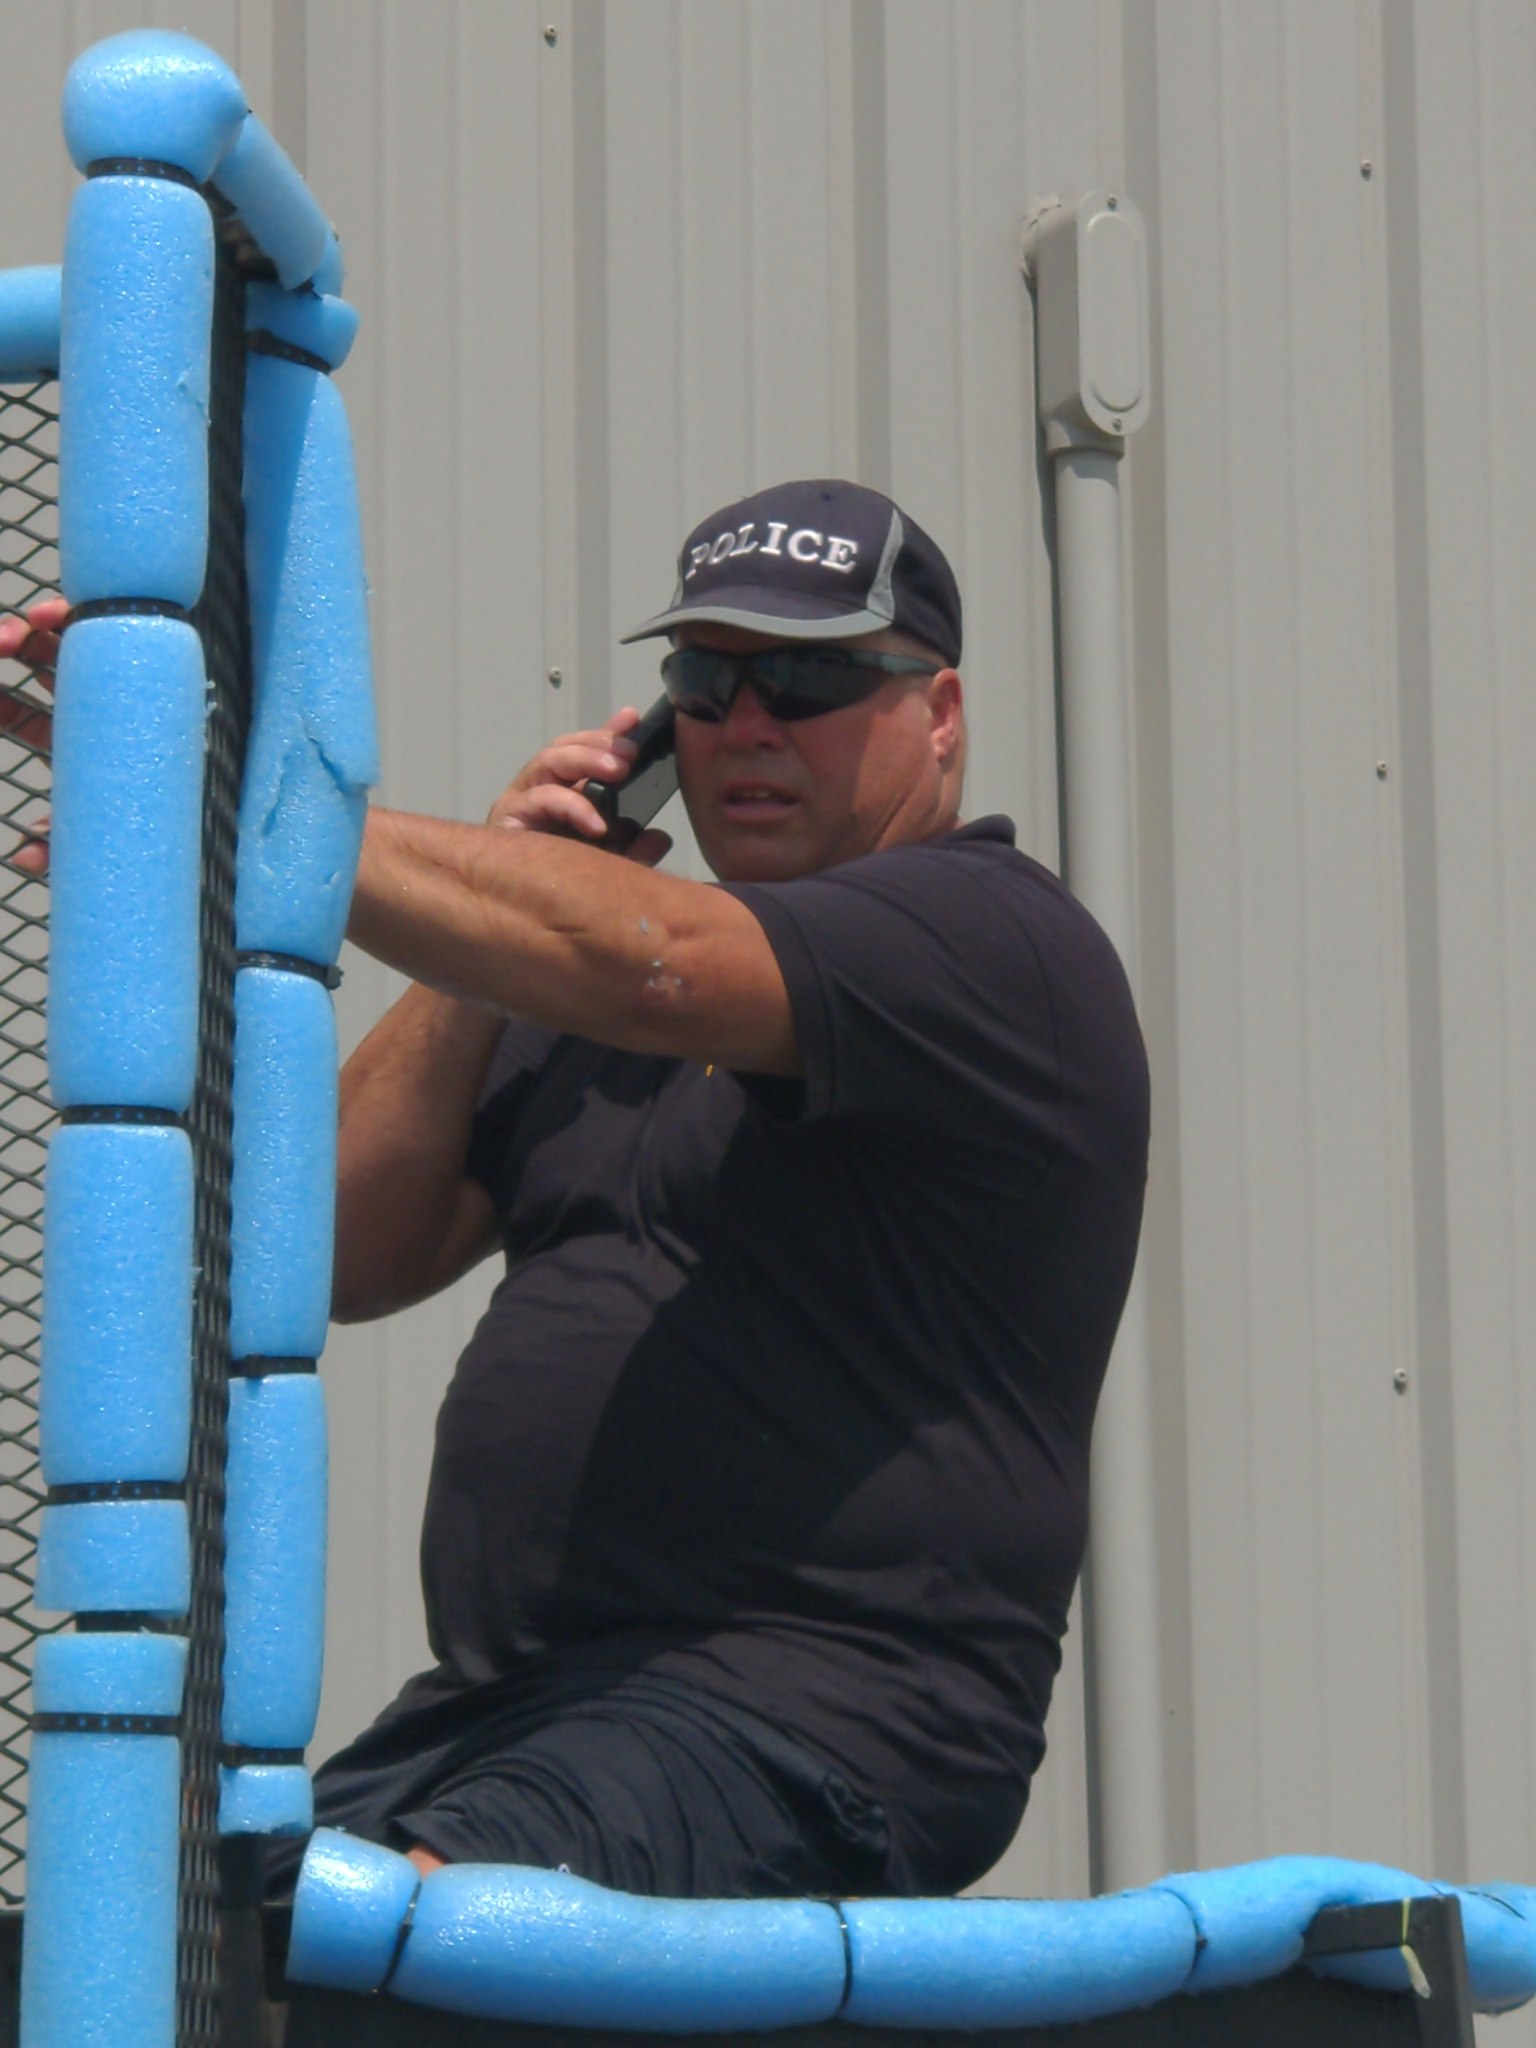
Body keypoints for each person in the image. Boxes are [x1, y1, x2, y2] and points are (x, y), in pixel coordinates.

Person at [4, 476, 1149, 1905]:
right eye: (706, 683)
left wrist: (246, 812)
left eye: (807, 679)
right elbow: (338, 1248)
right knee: (199, 1939)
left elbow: (653, 961)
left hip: (806, 1710)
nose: (746, 725)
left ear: (943, 716)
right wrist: (502, 919)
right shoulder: (598, 994)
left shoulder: (986, 934)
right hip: (515, 1710)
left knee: (408, 1945)